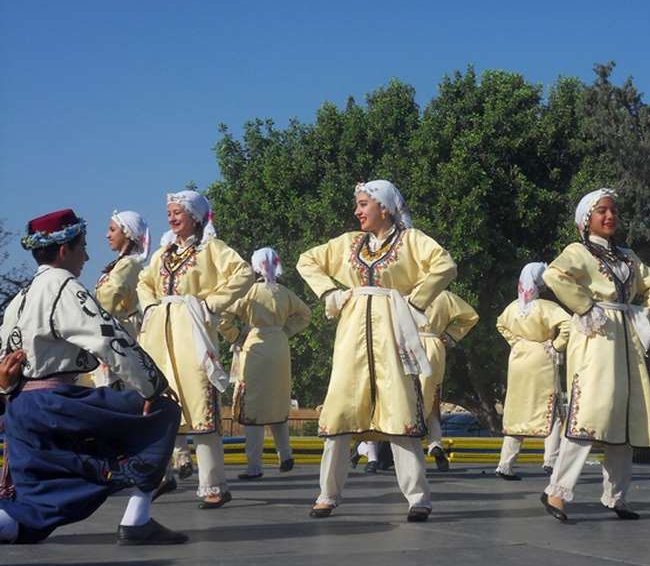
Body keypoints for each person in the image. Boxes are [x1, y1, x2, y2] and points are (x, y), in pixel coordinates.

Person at [0, 209, 186, 545]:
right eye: (83, 247)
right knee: (163, 410)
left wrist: (6, 387)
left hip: (21, 412)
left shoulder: (19, 300)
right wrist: (153, 386)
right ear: (63, 250)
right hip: (53, 408)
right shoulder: (64, 288)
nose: (86, 257)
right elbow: (108, 339)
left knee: (30, 515)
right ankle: (137, 519)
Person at [297, 179, 457, 522]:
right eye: (357, 204)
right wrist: (330, 293)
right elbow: (307, 260)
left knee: (400, 410)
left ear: (384, 208)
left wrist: (415, 302)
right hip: (352, 333)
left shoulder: (412, 241)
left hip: (393, 330)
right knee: (340, 410)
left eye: (363, 204)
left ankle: (418, 498)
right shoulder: (348, 243)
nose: (357, 211)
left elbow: (445, 265)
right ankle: (327, 494)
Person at [541, 189, 650, 521]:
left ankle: (616, 496)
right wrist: (585, 306)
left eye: (613, 211)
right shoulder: (578, 252)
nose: (610, 216)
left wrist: (644, 316)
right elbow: (554, 275)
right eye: (602, 211)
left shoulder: (627, 257)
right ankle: (557, 491)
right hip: (595, 338)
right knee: (589, 414)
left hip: (625, 338)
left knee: (623, 417)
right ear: (587, 220)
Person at [137, 191, 254, 508]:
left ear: (196, 216)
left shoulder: (211, 249)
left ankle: (213, 485)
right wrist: (151, 308)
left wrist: (211, 305)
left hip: (193, 332)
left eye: (178, 212)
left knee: (201, 404)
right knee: (161, 402)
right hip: (161, 334)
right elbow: (144, 282)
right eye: (170, 213)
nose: (172, 218)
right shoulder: (163, 253)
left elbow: (243, 273)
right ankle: (162, 475)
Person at [220, 247, 311, 479]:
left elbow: (223, 318)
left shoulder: (249, 292)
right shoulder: (285, 293)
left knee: (253, 408)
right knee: (277, 403)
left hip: (256, 346)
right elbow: (306, 315)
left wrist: (236, 336)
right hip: (280, 347)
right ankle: (286, 455)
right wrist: (286, 331)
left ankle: (254, 466)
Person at [495, 262, 570, 480]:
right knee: (551, 411)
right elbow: (568, 324)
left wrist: (516, 342)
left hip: (518, 359)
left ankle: (505, 464)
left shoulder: (512, 308)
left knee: (517, 411)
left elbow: (500, 324)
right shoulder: (546, 307)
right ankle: (551, 460)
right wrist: (557, 345)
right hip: (542, 358)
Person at [82, 210, 151, 389]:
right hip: (113, 329)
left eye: (112, 230)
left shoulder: (129, 264)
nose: (107, 235)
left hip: (121, 332)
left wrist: (84, 308)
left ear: (127, 233)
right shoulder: (120, 264)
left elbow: (109, 298)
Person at [419, 290, 479, 471]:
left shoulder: (406, 291)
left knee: (407, 399)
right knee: (432, 397)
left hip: (409, 347)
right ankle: (435, 443)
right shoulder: (443, 296)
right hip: (434, 346)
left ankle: (402, 452)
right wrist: (449, 335)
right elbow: (470, 316)